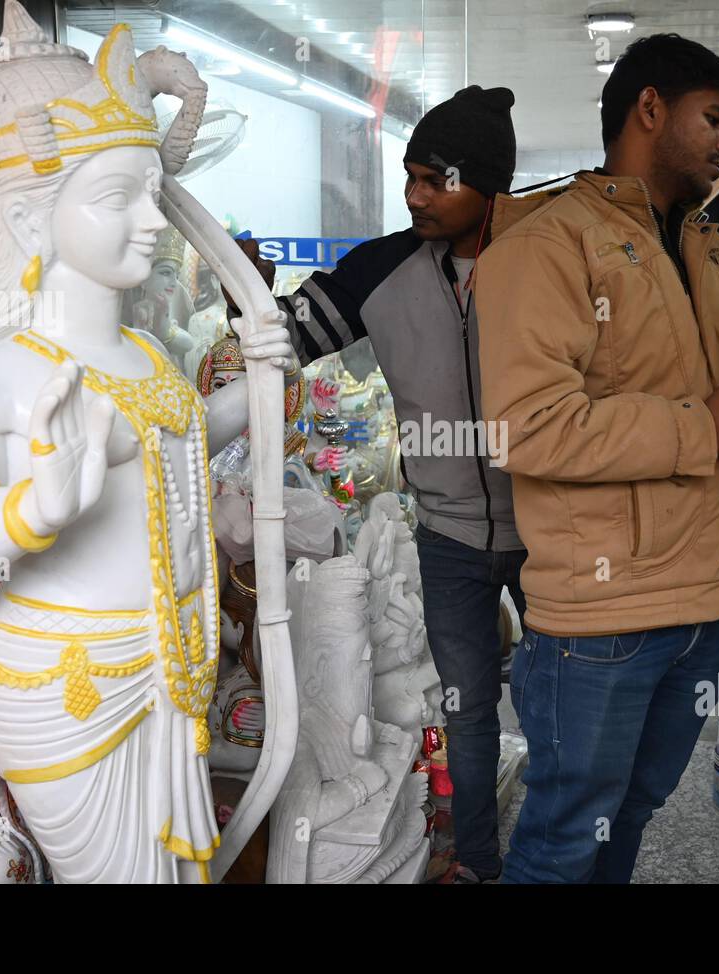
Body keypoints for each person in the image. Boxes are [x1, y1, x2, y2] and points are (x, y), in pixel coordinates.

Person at [474, 34, 719, 884]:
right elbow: (527, 429)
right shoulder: (547, 245)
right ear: (649, 109)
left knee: (631, 817)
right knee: (560, 840)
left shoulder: (700, 245)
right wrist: (705, 425)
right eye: (717, 118)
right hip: (599, 622)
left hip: (699, 606)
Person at [240, 86, 522, 884]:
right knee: (466, 711)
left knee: (561, 705)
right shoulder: (383, 268)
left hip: (554, 530)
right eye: (411, 177)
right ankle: (478, 863)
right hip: (449, 535)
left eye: (438, 179)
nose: (416, 195)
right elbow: (287, 343)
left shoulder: (545, 267)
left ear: (488, 183)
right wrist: (250, 295)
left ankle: (558, 858)